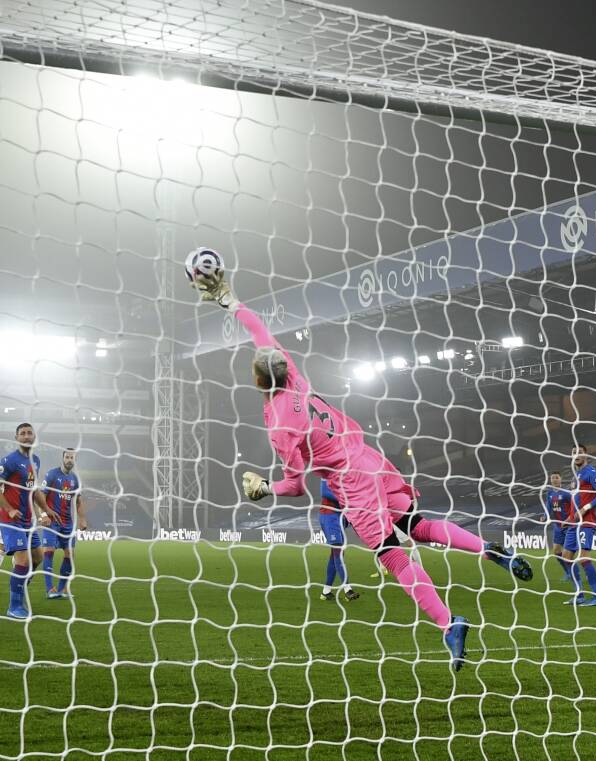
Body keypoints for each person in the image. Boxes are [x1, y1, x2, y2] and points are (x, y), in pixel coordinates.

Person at [192, 267, 531, 671]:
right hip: (371, 458)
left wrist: (263, 488)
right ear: (282, 365)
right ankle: (489, 549)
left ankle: (448, 624)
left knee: (391, 554)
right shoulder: (295, 378)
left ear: (256, 379)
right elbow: (258, 331)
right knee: (418, 525)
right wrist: (230, 301)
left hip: (351, 481)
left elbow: (295, 487)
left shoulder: (281, 425)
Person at [0, 422, 48, 619]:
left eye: (29, 433)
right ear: (16, 438)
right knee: (22, 560)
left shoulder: (36, 460)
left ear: (34, 437)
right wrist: (9, 509)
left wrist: (47, 510)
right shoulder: (9, 460)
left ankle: (20, 587)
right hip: (11, 519)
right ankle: (14, 606)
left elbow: (35, 490)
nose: (26, 436)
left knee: (38, 557)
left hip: (29, 520)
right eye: (22, 433)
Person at [561, 445, 596, 606]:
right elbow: (577, 500)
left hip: (586, 522)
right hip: (574, 523)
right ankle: (579, 594)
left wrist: (585, 509)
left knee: (583, 558)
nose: (576, 455)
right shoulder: (575, 476)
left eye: (580, 452)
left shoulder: (591, 472)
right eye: (574, 453)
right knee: (566, 557)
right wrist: (569, 517)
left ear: (586, 454)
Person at [41, 448, 88, 599]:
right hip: (52, 521)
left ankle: (61, 590)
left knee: (70, 554)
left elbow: (79, 501)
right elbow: (41, 494)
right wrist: (44, 514)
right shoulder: (52, 474)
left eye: (72, 457)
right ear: (63, 458)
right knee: (49, 551)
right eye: (67, 457)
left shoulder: (75, 479)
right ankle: (50, 590)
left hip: (68, 523)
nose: (69, 460)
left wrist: (82, 519)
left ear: (75, 460)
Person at [317, 478, 360, 601]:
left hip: (338, 517)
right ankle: (348, 589)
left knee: (335, 554)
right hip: (328, 515)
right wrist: (345, 498)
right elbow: (324, 492)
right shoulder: (327, 471)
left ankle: (326, 591)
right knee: (338, 553)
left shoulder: (345, 474)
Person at [543, 471, 572, 583]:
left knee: (568, 553)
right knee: (556, 551)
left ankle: (573, 572)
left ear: (561, 479)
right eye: (553, 478)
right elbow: (548, 506)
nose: (554, 479)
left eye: (556, 477)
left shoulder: (566, 493)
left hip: (569, 526)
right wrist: (545, 516)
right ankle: (567, 572)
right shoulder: (550, 493)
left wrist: (570, 519)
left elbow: (574, 506)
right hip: (557, 526)